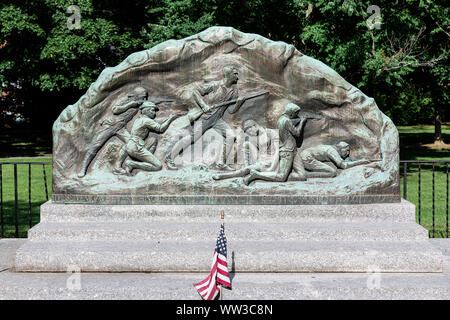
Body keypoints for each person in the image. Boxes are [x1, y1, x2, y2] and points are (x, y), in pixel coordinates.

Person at [165, 65, 246, 171]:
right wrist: (203, 105)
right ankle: (169, 157)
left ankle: (221, 163)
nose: (237, 76)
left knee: (230, 136)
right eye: (235, 74)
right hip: (206, 117)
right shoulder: (215, 85)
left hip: (217, 119)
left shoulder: (234, 91)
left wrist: (239, 103)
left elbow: (231, 111)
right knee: (192, 137)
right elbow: (196, 91)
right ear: (228, 74)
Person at [77, 86, 148, 178]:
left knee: (132, 143)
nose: (144, 99)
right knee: (96, 146)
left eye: (145, 97)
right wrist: (130, 104)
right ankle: (83, 169)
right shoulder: (126, 99)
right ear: (136, 96)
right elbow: (115, 110)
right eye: (142, 97)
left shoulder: (140, 103)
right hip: (110, 125)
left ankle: (118, 167)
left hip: (121, 128)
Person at [243, 103, 307, 185]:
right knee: (281, 177)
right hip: (287, 151)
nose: (297, 115)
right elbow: (297, 133)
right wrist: (302, 122)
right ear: (291, 113)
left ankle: (270, 175)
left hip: (293, 149)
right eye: (296, 113)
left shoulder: (282, 119)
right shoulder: (286, 120)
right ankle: (256, 175)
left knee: (302, 176)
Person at [113, 102, 178, 175]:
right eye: (152, 110)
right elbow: (160, 129)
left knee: (153, 140)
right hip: (136, 147)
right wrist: (170, 119)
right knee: (158, 166)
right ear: (146, 110)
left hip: (131, 144)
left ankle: (146, 160)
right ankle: (132, 164)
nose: (154, 113)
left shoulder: (139, 119)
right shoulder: (147, 120)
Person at [212, 119, 277, 181]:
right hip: (261, 161)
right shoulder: (256, 137)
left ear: (254, 126)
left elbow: (277, 151)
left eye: (251, 131)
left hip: (270, 162)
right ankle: (246, 168)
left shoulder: (271, 133)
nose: (251, 134)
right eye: (249, 133)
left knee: (246, 169)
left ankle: (223, 176)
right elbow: (256, 153)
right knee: (246, 144)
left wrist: (272, 167)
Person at [299, 141, 371, 178]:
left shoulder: (330, 148)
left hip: (305, 156)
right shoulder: (332, 151)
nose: (348, 153)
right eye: (347, 150)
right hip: (306, 158)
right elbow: (343, 166)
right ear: (341, 148)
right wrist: (361, 162)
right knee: (331, 172)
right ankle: (305, 175)